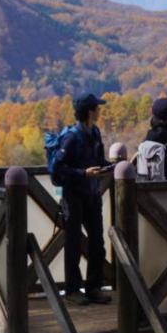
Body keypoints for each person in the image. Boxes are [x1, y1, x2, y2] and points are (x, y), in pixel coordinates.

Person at [55, 93, 113, 306]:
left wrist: (113, 166)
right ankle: (72, 289)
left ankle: (93, 287)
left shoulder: (95, 133)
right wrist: (83, 174)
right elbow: (59, 169)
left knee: (97, 241)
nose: (100, 110)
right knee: (73, 243)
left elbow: (98, 160)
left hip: (92, 195)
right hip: (73, 196)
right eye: (97, 108)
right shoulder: (71, 138)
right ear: (90, 111)